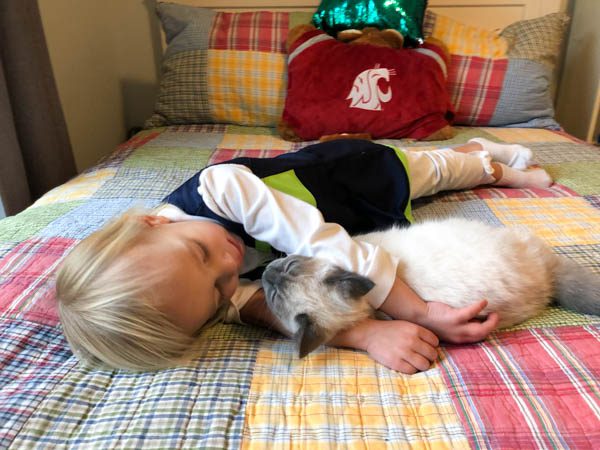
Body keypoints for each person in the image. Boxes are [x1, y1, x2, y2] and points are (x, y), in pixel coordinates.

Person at [56, 137, 552, 374]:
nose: (229, 265)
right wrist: (365, 334)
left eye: (201, 253)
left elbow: (325, 243)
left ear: (153, 222)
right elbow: (263, 308)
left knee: (435, 172)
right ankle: (472, 153)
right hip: (350, 221)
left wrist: (417, 310)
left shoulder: (221, 188)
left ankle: (490, 162)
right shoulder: (191, 290)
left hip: (348, 176)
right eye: (217, 291)